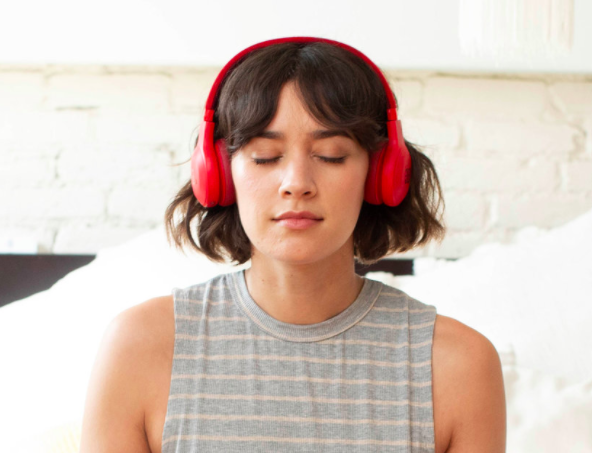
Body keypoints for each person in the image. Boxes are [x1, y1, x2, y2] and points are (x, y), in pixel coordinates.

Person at [79, 37, 506, 453]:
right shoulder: (139, 346)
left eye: (333, 155)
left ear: (380, 175)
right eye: (265, 156)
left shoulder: (460, 365)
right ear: (220, 176)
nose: (296, 184)